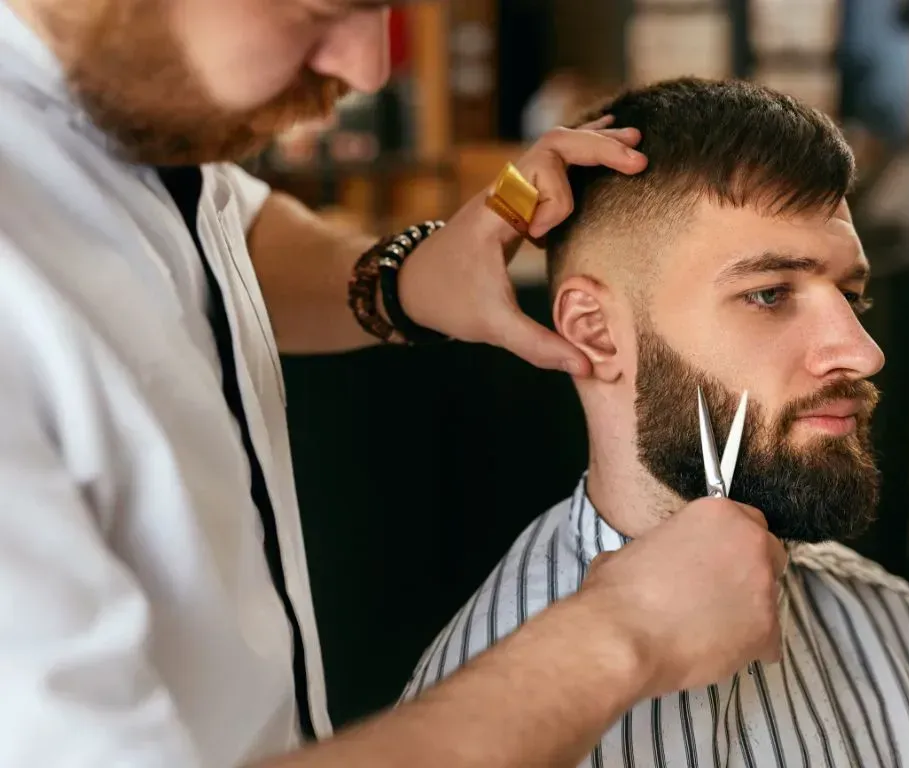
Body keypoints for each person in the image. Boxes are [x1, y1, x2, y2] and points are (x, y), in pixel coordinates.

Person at [0, 2, 792, 767]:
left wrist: (406, 278)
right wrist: (625, 633)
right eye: (326, 9)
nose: (371, 67)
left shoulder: (124, 104)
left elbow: (217, 230)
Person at [399, 77, 909, 767]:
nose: (863, 353)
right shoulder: (479, 721)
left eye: (852, 296)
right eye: (769, 294)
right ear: (595, 331)